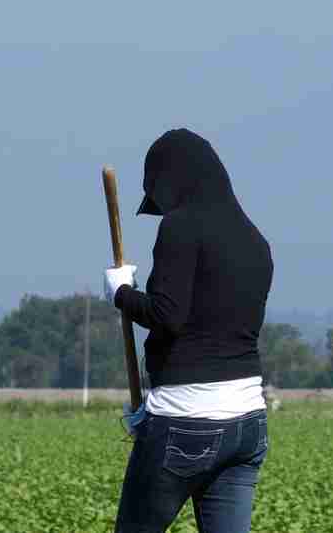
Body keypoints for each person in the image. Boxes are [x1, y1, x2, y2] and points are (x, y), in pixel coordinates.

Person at [106, 129, 276, 533]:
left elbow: (167, 315)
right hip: (248, 421)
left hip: (186, 420)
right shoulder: (256, 240)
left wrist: (121, 292)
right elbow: (209, 325)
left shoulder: (181, 227)